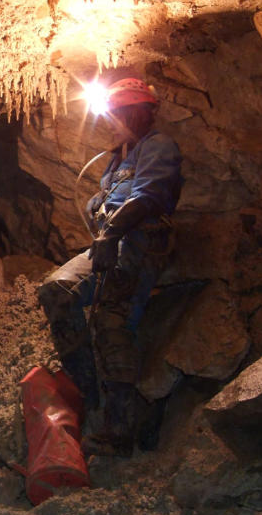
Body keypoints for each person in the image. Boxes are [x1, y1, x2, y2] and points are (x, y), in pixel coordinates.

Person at [37, 77, 183, 457]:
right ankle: (85, 390)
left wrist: (111, 233)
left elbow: (148, 197)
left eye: (118, 114)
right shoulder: (118, 158)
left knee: (111, 320)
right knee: (57, 289)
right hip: (108, 245)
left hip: (137, 247)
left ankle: (119, 429)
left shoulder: (159, 146)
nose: (112, 122)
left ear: (138, 112)